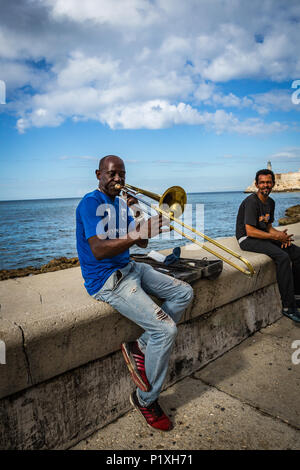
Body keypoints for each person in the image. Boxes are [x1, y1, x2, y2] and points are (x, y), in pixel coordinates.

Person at [76, 155, 194, 431]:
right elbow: (99, 249)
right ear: (98, 174)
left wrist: (138, 210)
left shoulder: (120, 203)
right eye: (112, 174)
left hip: (129, 268)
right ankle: (145, 399)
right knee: (165, 331)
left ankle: (140, 347)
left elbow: (141, 240)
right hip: (107, 280)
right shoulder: (90, 203)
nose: (118, 179)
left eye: (122, 174)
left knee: (184, 293)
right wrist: (134, 231)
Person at [236, 168, 300, 323]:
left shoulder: (271, 202)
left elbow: (269, 227)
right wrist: (275, 236)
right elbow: (250, 231)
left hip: (263, 236)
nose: (265, 185)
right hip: (247, 239)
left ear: (273, 184)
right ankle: (288, 306)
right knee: (283, 257)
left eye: (268, 182)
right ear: (257, 184)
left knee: (297, 253)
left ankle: (297, 296)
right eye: (262, 182)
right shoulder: (251, 202)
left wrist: (281, 236)